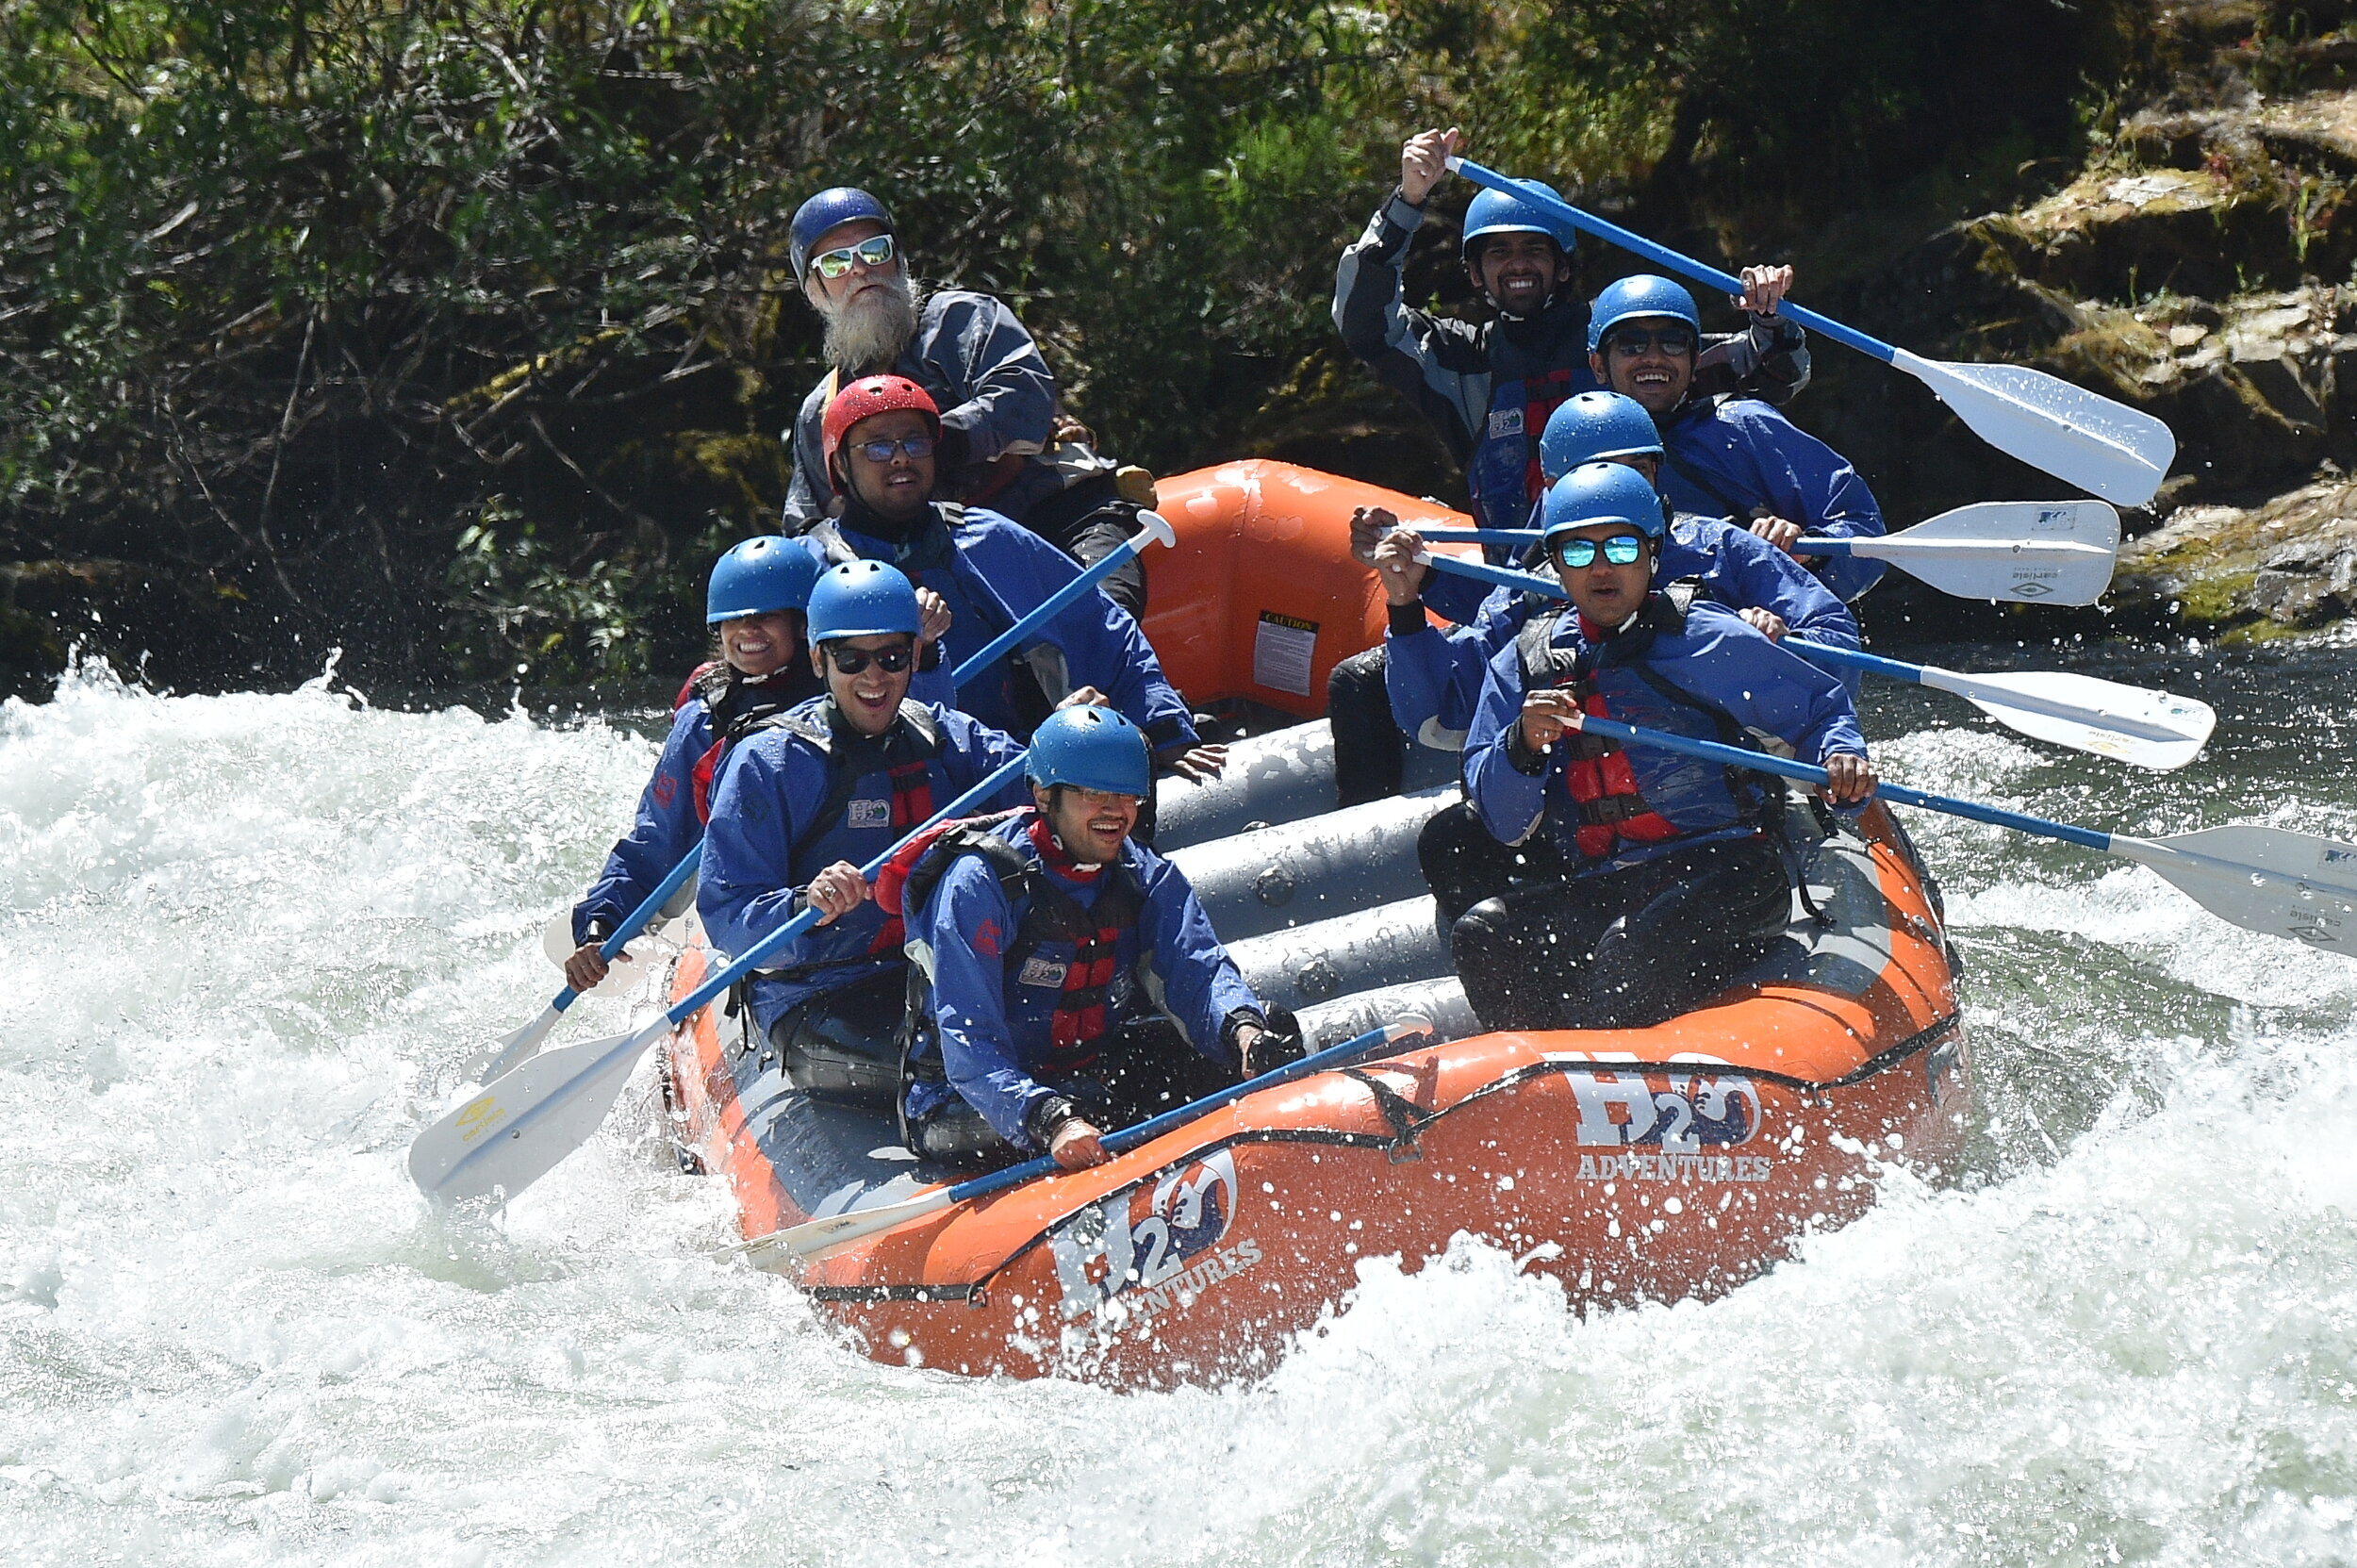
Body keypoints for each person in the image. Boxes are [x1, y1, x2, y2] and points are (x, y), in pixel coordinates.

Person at [1327, 126, 1808, 801]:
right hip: (1526, 597)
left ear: (1562, 264)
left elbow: (1766, 368)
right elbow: (1364, 323)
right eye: (1498, 253)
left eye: (1533, 249)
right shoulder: (1462, 365)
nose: (1516, 265)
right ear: (1474, 272)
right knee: (1356, 683)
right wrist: (1409, 200)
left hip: (1649, 584)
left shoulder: (1622, 339)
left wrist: (1769, 317)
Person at [1369, 391, 1866, 913]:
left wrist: (1780, 643)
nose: (1614, 489)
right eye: (1595, 476)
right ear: (1557, 495)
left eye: (1634, 472)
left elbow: (1829, 648)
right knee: (1454, 840)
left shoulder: (1718, 558)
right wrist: (1405, 606)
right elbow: (1439, 713)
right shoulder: (1533, 595)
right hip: (1591, 837)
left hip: (1720, 817)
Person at [1444, 461, 1876, 1032]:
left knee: (1630, 953)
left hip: (1732, 871)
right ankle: (1542, 1084)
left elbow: (1821, 711)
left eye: (1620, 549)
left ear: (1653, 555)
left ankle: (1611, 1075)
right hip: (1612, 878)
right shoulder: (1522, 666)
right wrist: (1521, 745)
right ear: (1553, 564)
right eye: (1578, 553)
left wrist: (1842, 759)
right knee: (1484, 934)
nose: (1601, 569)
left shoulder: (1706, 637)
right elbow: (1500, 821)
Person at [895, 706, 1296, 1170]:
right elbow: (969, 1040)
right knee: (1097, 1114)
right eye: (1093, 793)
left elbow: (1198, 969)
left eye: (1127, 796)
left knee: (1262, 1038)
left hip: (1087, 1071)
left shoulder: (1142, 874)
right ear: (1045, 796)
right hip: (965, 1097)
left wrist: (1243, 1032)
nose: (1115, 812)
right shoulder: (980, 885)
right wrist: (1048, 1117)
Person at [697, 560, 1033, 1103]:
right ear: (818, 661)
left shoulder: (950, 738)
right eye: (851, 659)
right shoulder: (768, 763)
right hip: (821, 993)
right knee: (959, 1062)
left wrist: (1071, 751)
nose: (873, 677)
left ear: (914, 656)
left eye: (892, 657)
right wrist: (805, 904)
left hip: (940, 972)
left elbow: (1042, 793)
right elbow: (727, 913)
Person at [801, 373, 1223, 784]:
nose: (900, 458)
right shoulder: (814, 565)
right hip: (889, 785)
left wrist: (1163, 729)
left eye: (915, 442)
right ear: (840, 463)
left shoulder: (985, 536)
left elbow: (1105, 632)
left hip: (1022, 767)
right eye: (877, 447)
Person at [778, 186, 1153, 616]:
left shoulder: (961, 320)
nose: (861, 270)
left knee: (1103, 624)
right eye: (837, 262)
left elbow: (1024, 396)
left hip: (1059, 517)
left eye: (874, 250)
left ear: (898, 260)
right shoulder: (819, 413)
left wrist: (932, 441)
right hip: (950, 568)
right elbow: (806, 528)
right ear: (815, 290)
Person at [564, 536, 825, 993]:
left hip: (832, 896)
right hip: (751, 907)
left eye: (766, 617)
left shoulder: (846, 697)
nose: (748, 631)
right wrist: (602, 922)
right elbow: (655, 841)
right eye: (733, 619)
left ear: (803, 624)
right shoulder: (703, 721)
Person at [1588, 272, 1887, 602]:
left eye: (1673, 342)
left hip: (1743, 631)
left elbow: (1862, 530)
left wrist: (1809, 550)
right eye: (1631, 344)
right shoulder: (1579, 445)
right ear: (1599, 365)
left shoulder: (1745, 426)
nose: (1654, 357)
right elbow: (1537, 563)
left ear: (1695, 359)